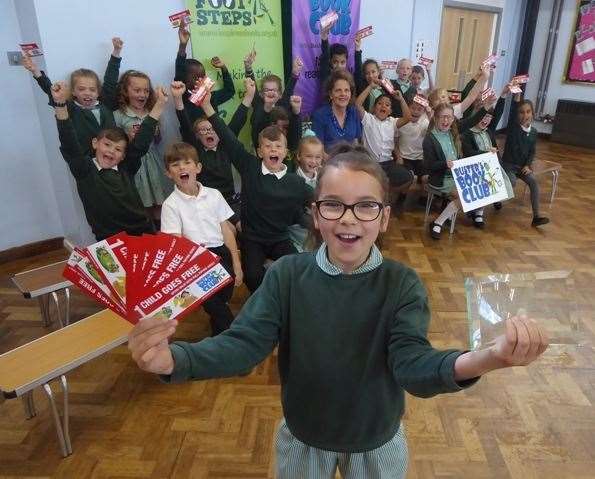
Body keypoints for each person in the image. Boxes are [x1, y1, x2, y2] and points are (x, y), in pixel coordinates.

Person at [128, 146, 549, 479]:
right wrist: (175, 358)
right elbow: (243, 346)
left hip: (376, 442)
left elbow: (413, 366)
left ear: (383, 218)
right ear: (316, 214)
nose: (349, 219)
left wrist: (488, 357)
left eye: (366, 206)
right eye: (333, 205)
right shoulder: (288, 276)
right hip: (303, 436)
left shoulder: (400, 284)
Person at [201, 91, 312, 293]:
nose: (273, 150)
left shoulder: (294, 181)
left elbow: (319, 197)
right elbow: (227, 138)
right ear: (260, 152)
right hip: (253, 239)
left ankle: (288, 301)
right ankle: (263, 303)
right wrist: (207, 106)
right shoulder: (249, 167)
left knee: (300, 269)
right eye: (268, 146)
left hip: (280, 238)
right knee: (251, 276)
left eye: (278, 146)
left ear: (285, 153)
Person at [51, 80, 168, 240]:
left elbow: (141, 142)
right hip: (108, 240)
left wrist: (159, 105)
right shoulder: (84, 169)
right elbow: (69, 142)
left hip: (143, 232)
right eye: (107, 145)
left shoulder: (126, 167)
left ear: (123, 156)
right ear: (95, 143)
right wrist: (60, 105)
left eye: (118, 149)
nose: (111, 151)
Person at [160, 142, 242, 335]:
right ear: (168, 174)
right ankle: (232, 335)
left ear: (198, 167)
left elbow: (226, 231)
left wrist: (237, 264)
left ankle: (219, 331)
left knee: (222, 297)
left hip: (221, 252)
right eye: (175, 165)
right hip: (196, 261)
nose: (182, 167)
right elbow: (176, 242)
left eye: (187, 162)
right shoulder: (170, 205)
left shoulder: (214, 195)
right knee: (214, 303)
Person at [22, 37, 124, 157]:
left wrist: (116, 52)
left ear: (98, 92)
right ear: (73, 92)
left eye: (92, 89)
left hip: (113, 159)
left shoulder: (105, 104)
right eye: (81, 89)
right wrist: (36, 72)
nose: (87, 93)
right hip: (88, 163)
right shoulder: (71, 108)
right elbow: (51, 91)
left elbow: (111, 80)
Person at [114, 70, 173, 226]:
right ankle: (149, 234)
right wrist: (128, 138)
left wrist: (155, 133)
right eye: (137, 90)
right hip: (135, 165)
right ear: (125, 91)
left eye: (146, 90)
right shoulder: (118, 116)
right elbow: (115, 144)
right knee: (142, 203)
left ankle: (162, 235)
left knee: (160, 201)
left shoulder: (152, 112)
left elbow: (159, 141)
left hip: (154, 162)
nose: (142, 94)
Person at [355, 82, 413, 196]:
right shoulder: (368, 119)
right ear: (374, 108)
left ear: (390, 111)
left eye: (387, 105)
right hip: (371, 163)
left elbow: (407, 117)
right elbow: (358, 104)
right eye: (380, 104)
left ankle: (388, 196)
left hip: (388, 163)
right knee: (373, 184)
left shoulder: (392, 122)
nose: (383, 106)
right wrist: (370, 86)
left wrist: (401, 99)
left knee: (408, 177)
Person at [501, 95, 549, 227]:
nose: (525, 115)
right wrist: (516, 98)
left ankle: (536, 217)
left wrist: (528, 165)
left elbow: (532, 151)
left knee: (533, 182)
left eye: (528, 112)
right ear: (517, 115)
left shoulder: (533, 132)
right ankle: (497, 200)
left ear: (533, 113)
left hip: (522, 167)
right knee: (511, 182)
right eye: (521, 112)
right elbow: (512, 112)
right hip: (509, 165)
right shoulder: (513, 128)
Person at [174, 22, 235, 123]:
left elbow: (230, 91)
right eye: (195, 77)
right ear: (184, 80)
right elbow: (179, 71)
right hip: (193, 138)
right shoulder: (184, 97)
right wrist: (183, 46)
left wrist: (223, 68)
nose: (200, 80)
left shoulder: (210, 97)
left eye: (202, 76)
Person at [312, 71, 362, 151]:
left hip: (350, 160)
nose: (343, 94)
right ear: (331, 94)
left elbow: (356, 142)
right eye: (338, 90)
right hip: (329, 161)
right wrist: (337, 163)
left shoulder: (354, 112)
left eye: (346, 90)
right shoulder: (320, 115)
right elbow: (318, 149)